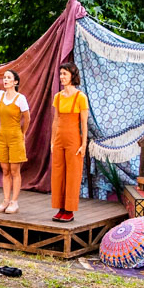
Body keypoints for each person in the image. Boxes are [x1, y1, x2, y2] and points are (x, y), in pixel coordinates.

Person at [0, 69, 29, 214]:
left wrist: (23, 133)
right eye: (4, 77)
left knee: (15, 170)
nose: (5, 80)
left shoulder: (20, 98)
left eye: (9, 78)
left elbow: (27, 118)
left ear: (15, 82)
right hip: (2, 137)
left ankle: (14, 202)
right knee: (5, 170)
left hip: (15, 136)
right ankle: (6, 200)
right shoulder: (0, 95)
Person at [51, 62, 89, 222]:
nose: (62, 77)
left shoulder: (80, 97)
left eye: (65, 74)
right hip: (59, 138)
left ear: (73, 75)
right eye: (60, 74)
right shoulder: (58, 97)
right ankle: (60, 207)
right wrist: (52, 141)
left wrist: (83, 144)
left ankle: (69, 210)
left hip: (74, 139)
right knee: (58, 173)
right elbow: (55, 120)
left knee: (73, 174)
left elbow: (84, 123)